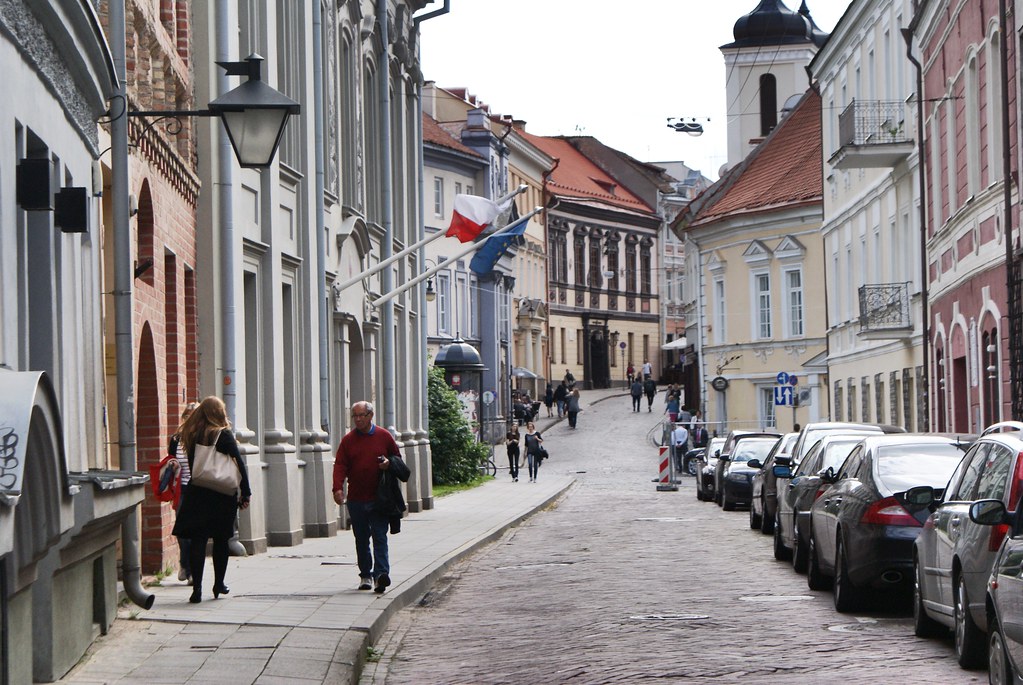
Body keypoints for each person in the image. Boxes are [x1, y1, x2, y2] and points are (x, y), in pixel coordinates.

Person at [172, 396, 251, 604]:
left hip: (197, 493)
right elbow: (238, 462)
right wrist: (245, 492)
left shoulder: (192, 434)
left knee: (198, 541)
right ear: (219, 412)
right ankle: (218, 584)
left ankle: (197, 589)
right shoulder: (223, 434)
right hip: (221, 494)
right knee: (221, 540)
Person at [333, 401, 407, 594]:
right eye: (355, 416)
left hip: (379, 498)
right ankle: (365, 574)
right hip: (356, 498)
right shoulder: (348, 441)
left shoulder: (384, 436)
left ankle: (381, 575)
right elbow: (340, 465)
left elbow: (397, 459)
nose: (358, 419)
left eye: (361, 415)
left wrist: (388, 463)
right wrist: (337, 488)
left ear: (370, 416)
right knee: (361, 538)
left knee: (380, 536)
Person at [167, 401, 199, 584]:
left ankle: (191, 570)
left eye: (194, 417)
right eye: (187, 416)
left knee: (195, 531)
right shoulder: (176, 439)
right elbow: (171, 458)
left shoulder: (204, 439)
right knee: (182, 530)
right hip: (182, 489)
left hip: (199, 489)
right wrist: (172, 464)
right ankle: (185, 564)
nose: (190, 420)